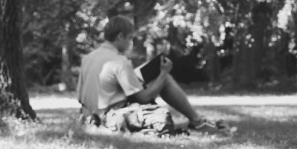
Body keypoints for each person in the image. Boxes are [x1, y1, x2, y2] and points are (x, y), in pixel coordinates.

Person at [77, 15, 231, 134]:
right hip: (112, 118)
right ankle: (197, 121)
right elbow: (144, 98)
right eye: (130, 38)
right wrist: (163, 73)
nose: (131, 43)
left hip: (91, 116)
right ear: (120, 37)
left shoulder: (88, 58)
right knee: (164, 79)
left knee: (146, 76)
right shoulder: (119, 61)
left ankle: (196, 122)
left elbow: (80, 98)